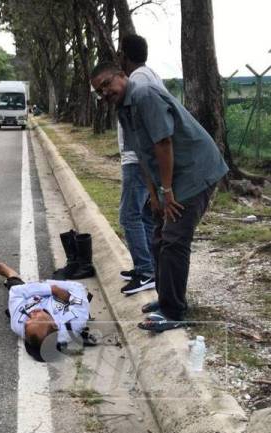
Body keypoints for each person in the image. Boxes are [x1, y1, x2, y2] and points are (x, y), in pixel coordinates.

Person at [90, 61, 228, 332]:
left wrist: (167, 191)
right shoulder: (123, 109)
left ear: (122, 76)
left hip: (195, 171)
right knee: (158, 234)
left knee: (174, 240)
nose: (105, 93)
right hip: (170, 178)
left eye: (107, 84)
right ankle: (165, 300)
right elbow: (142, 153)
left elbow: (163, 142)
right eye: (99, 91)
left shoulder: (143, 94)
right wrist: (154, 195)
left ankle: (174, 311)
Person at [116, 34, 167, 296]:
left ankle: (146, 270)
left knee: (129, 215)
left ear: (124, 54)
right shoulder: (149, 75)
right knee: (145, 215)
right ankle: (148, 267)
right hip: (140, 158)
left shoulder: (138, 80)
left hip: (137, 160)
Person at [0, 262, 91, 362]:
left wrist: (48, 288)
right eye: (36, 318)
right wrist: (59, 292)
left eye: (27, 322)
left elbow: (16, 291)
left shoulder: (18, 323)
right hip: (59, 297)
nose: (31, 314)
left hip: (34, 297)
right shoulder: (74, 322)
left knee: (15, 285)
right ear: (54, 325)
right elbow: (78, 289)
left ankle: (9, 273)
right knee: (60, 277)